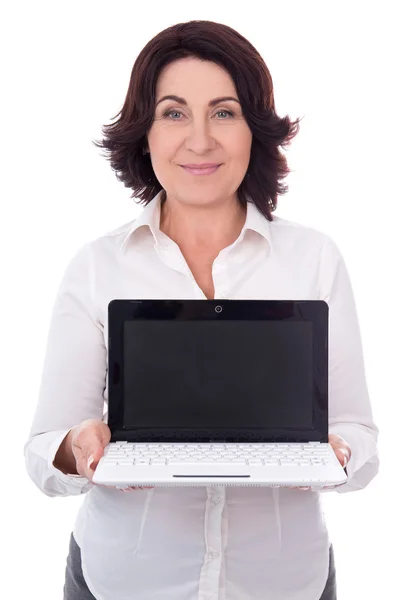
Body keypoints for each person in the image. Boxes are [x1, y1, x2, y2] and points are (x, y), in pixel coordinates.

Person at [23, 19, 379, 600]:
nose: (199, 140)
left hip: (283, 584)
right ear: (144, 132)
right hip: (125, 583)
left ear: (254, 130)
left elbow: (358, 436)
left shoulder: (314, 259)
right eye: (173, 112)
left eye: (223, 112)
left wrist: (336, 451)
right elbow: (43, 450)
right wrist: (78, 445)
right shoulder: (96, 267)